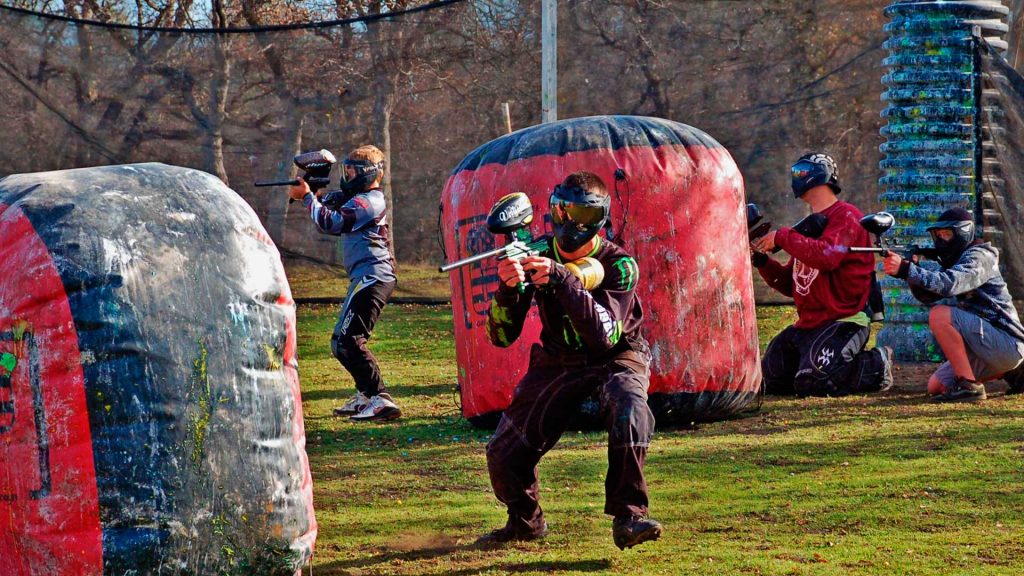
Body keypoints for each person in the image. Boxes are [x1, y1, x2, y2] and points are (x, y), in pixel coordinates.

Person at [479, 171, 662, 551]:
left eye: (586, 216)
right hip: (558, 359)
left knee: (632, 409)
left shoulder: (620, 265)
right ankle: (524, 522)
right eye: (565, 211)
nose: (573, 224)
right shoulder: (538, 254)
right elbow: (500, 336)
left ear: (602, 220)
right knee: (503, 452)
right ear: (553, 211)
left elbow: (604, 336)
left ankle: (629, 516)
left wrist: (563, 281)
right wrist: (509, 289)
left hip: (617, 355)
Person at [752, 152, 893, 397]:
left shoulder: (847, 216)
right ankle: (810, 365)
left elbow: (827, 257)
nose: (795, 178)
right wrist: (762, 261)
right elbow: (793, 284)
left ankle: (877, 365)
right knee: (769, 380)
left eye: (800, 172)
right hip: (808, 325)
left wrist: (783, 237)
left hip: (844, 322)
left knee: (814, 382)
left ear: (820, 175)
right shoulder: (809, 226)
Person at [289, 144, 401, 422]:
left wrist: (307, 199)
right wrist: (311, 190)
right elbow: (326, 205)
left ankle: (380, 398)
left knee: (350, 341)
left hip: (374, 276)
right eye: (346, 170)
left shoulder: (369, 201)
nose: (348, 176)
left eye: (353, 171)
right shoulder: (357, 197)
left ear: (370, 174)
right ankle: (366, 394)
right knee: (340, 341)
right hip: (366, 276)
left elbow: (329, 222)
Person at [882, 207, 1024, 402]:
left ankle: (970, 387)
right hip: (986, 345)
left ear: (963, 233)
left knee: (939, 315)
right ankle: (1013, 372)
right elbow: (928, 296)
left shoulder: (980, 256)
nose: (941, 241)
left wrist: (907, 270)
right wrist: (911, 269)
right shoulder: (959, 260)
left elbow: (949, 284)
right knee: (937, 386)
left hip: (1006, 342)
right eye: (938, 235)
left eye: (947, 235)